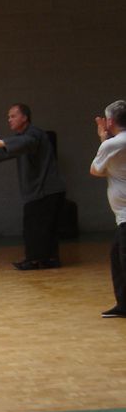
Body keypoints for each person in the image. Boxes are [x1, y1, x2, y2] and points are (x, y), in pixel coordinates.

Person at [0, 103, 67, 270]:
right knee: (43, 227)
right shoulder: (22, 138)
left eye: (13, 116)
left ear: (25, 117)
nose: (9, 119)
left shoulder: (34, 134)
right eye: (8, 117)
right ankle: (48, 259)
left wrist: (0, 142)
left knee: (37, 227)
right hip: (43, 190)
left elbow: (22, 143)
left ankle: (35, 260)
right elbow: (12, 149)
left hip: (47, 189)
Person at [90, 99, 126, 319]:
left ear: (110, 121)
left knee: (122, 260)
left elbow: (95, 169)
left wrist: (103, 138)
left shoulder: (112, 144)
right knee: (117, 257)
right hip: (122, 216)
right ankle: (123, 304)